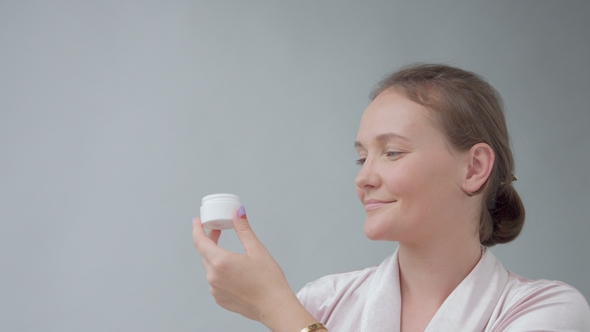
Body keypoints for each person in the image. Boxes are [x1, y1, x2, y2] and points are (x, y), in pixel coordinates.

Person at [192, 63, 590, 332]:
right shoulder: (322, 302)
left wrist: (276, 309)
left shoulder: (547, 311)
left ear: (473, 169)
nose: (364, 178)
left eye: (392, 152)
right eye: (361, 157)